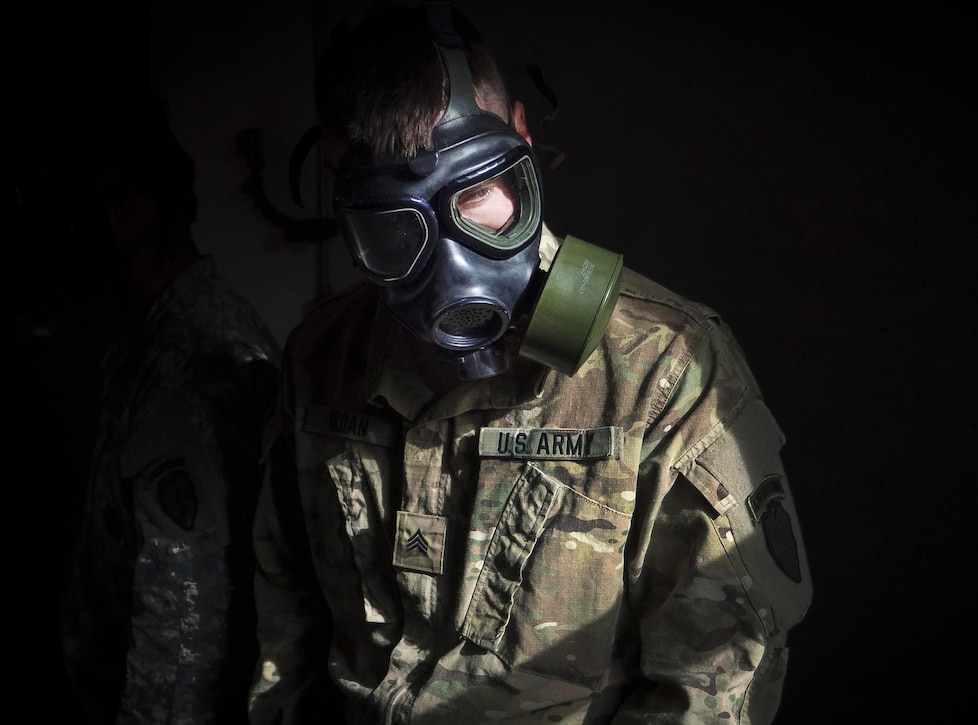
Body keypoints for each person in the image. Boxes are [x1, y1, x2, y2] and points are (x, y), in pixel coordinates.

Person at [248, 2, 812, 722]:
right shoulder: (323, 355)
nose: (452, 263)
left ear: (521, 134)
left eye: (477, 192)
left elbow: (714, 683)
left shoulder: (659, 369)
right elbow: (285, 613)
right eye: (397, 225)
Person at [55, 86, 282, 724]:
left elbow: (184, 657)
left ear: (130, 211)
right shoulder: (151, 344)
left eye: (73, 216)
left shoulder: (194, 374)